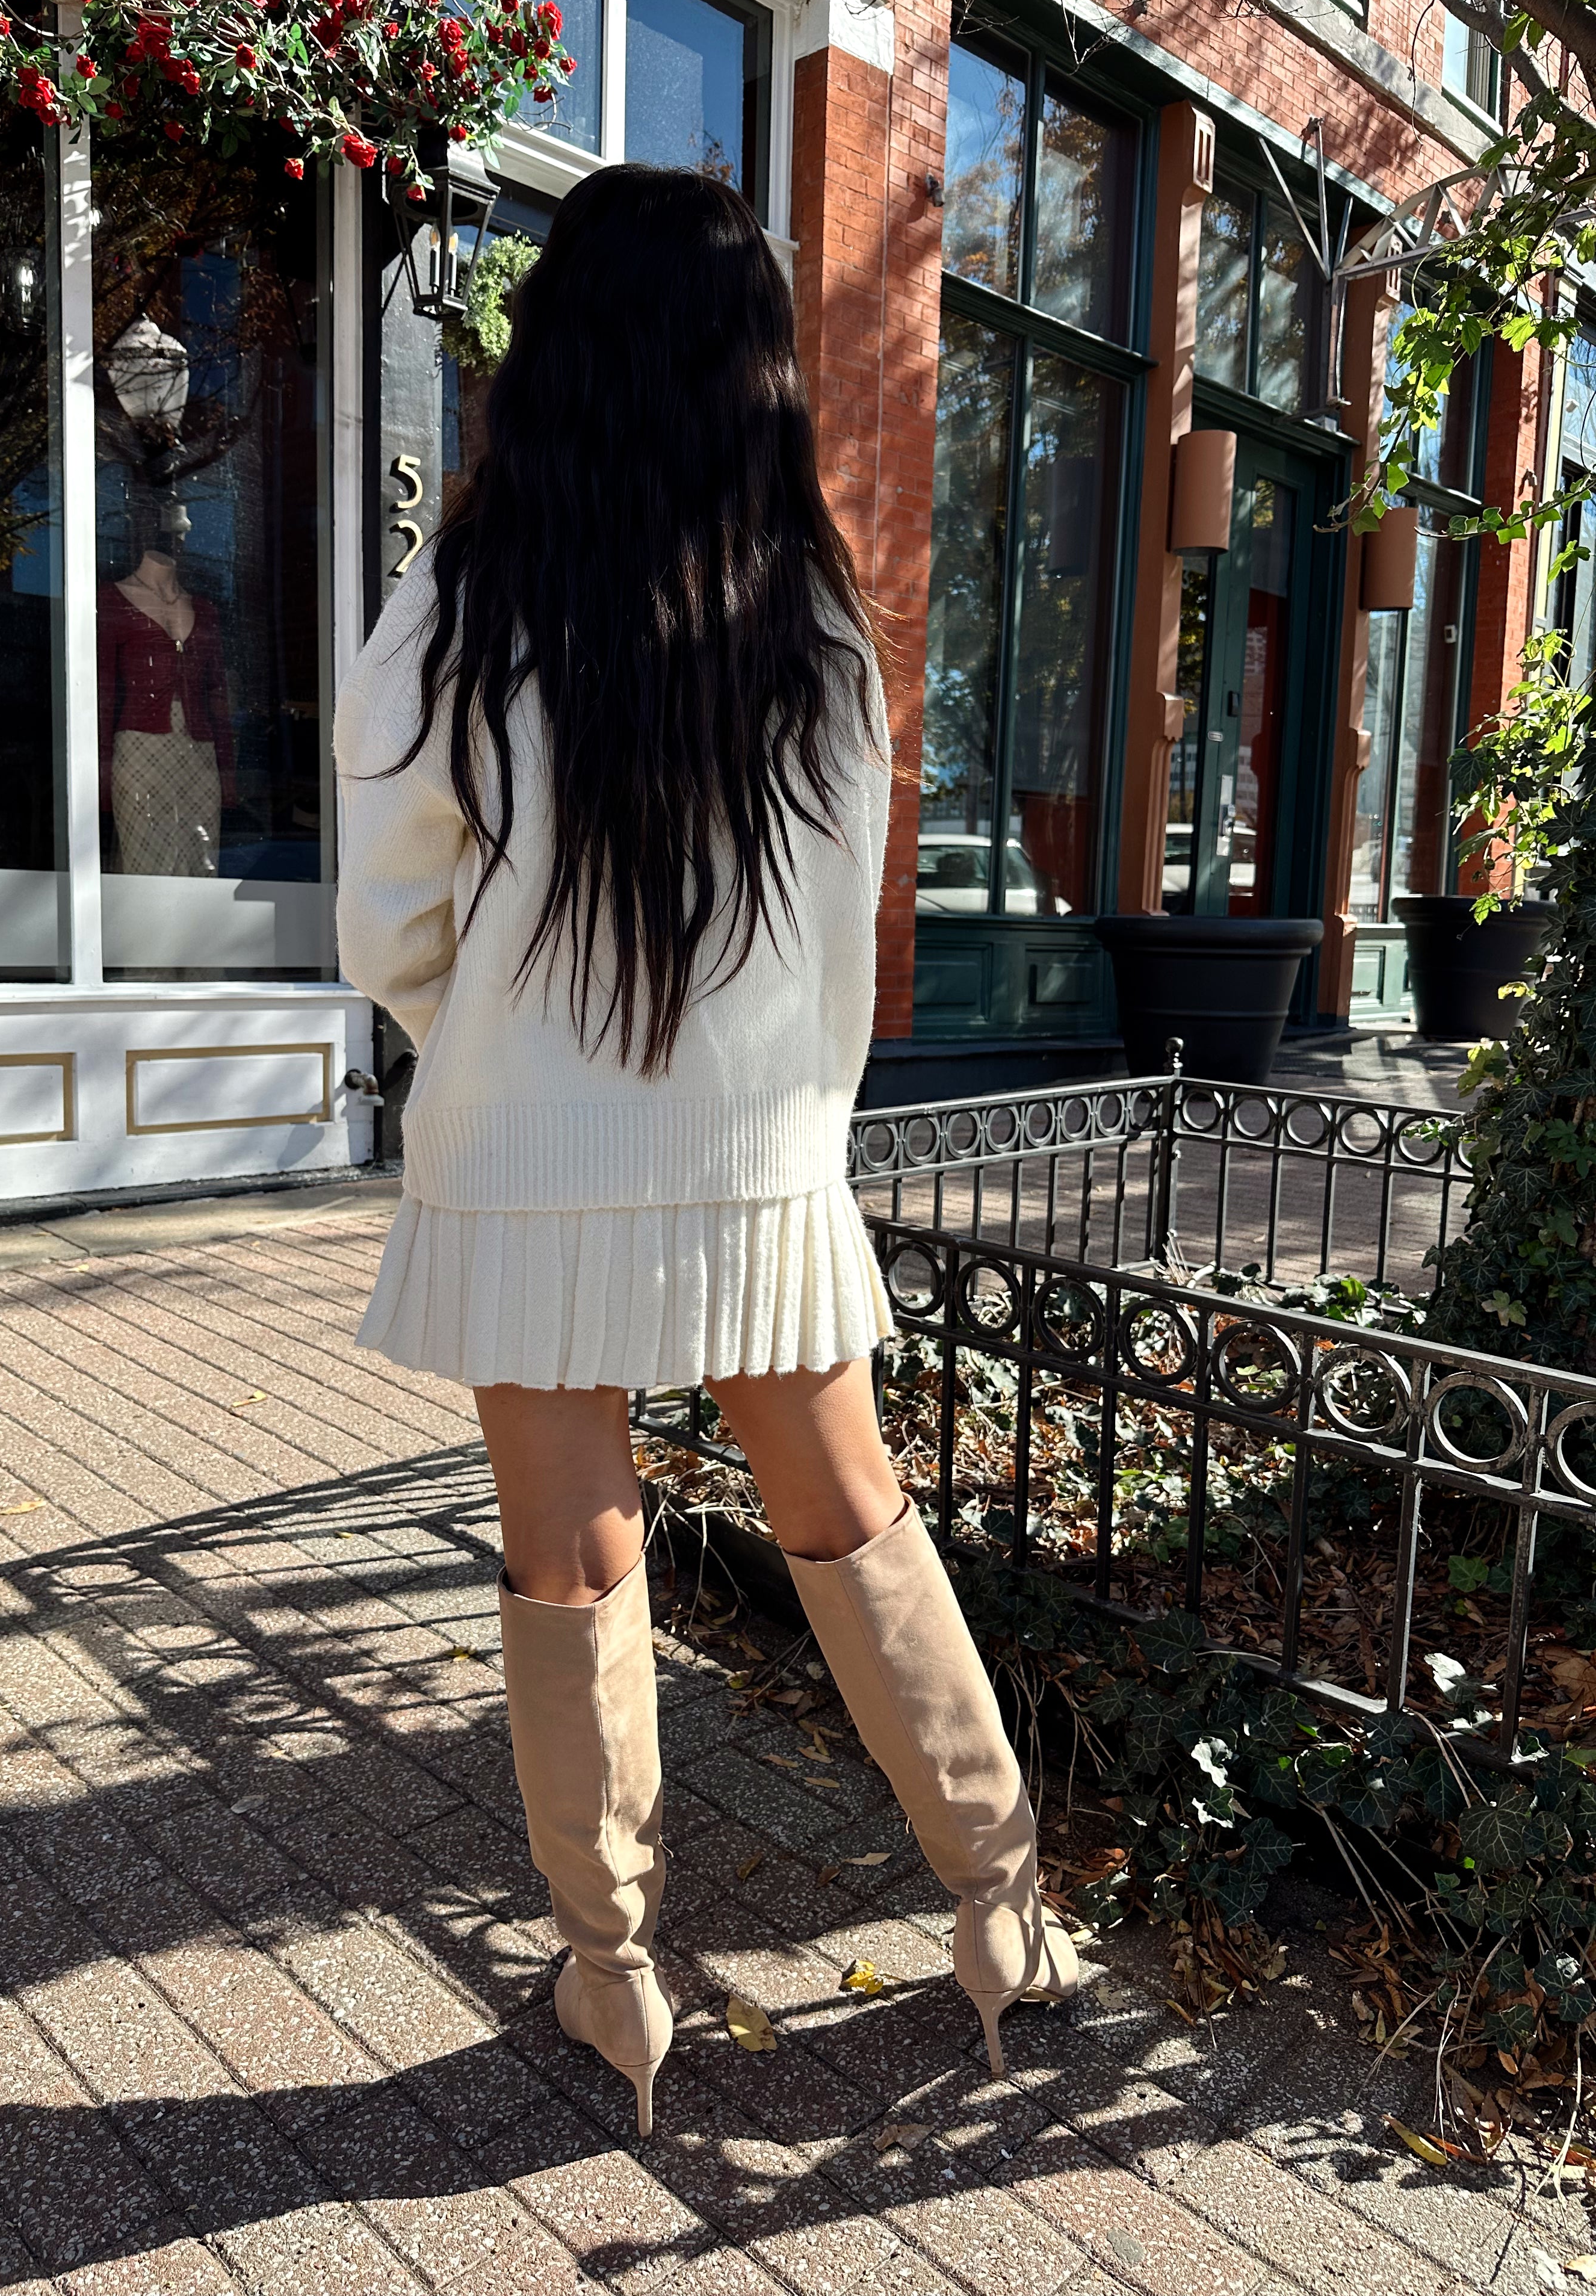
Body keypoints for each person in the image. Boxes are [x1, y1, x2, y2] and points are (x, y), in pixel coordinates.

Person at [335, 165, 1075, 2140]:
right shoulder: (812, 613)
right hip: (757, 1144)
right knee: (852, 1518)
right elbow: (845, 941)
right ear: (751, 366)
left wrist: (497, 1050)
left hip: (522, 1147)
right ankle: (1002, 1914)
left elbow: (388, 930)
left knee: (569, 1557)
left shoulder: (459, 604)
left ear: (549, 352)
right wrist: (777, 1118)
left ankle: (616, 1974)